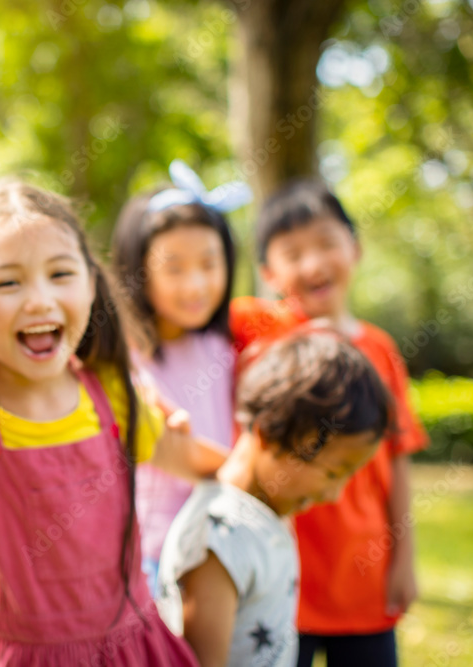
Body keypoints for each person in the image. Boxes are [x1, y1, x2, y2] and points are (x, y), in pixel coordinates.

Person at [0, 180, 225, 665]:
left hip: (132, 649)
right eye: (8, 282)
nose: (39, 300)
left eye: (60, 274)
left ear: (91, 283)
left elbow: (196, 461)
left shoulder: (116, 394)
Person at [229, 179, 428, 667]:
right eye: (293, 254)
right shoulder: (262, 329)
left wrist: (404, 559)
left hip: (364, 578)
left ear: (355, 249)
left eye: (326, 244)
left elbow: (398, 462)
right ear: (268, 272)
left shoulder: (380, 350)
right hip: (279, 579)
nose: (313, 264)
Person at [157, 332, 390, 667]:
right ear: (269, 434)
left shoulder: (265, 511)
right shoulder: (218, 538)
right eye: (331, 473)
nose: (334, 494)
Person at [112, 160, 245, 594]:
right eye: (174, 268)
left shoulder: (222, 346)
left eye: (210, 264)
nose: (195, 286)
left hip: (222, 547)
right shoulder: (124, 360)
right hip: (153, 559)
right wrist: (259, 483)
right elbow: (175, 453)